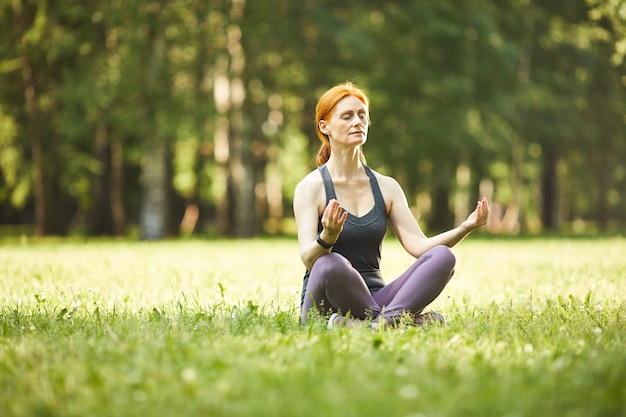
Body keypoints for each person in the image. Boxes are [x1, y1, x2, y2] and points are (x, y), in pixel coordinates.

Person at [293, 81, 490, 329]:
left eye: (362, 115)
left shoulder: (386, 186)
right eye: (347, 116)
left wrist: (466, 227)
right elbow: (310, 261)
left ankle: (376, 324)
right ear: (325, 126)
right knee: (330, 262)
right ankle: (401, 321)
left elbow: (420, 247)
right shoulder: (310, 187)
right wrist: (328, 237)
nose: (357, 122)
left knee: (443, 256)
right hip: (324, 304)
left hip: (377, 298)